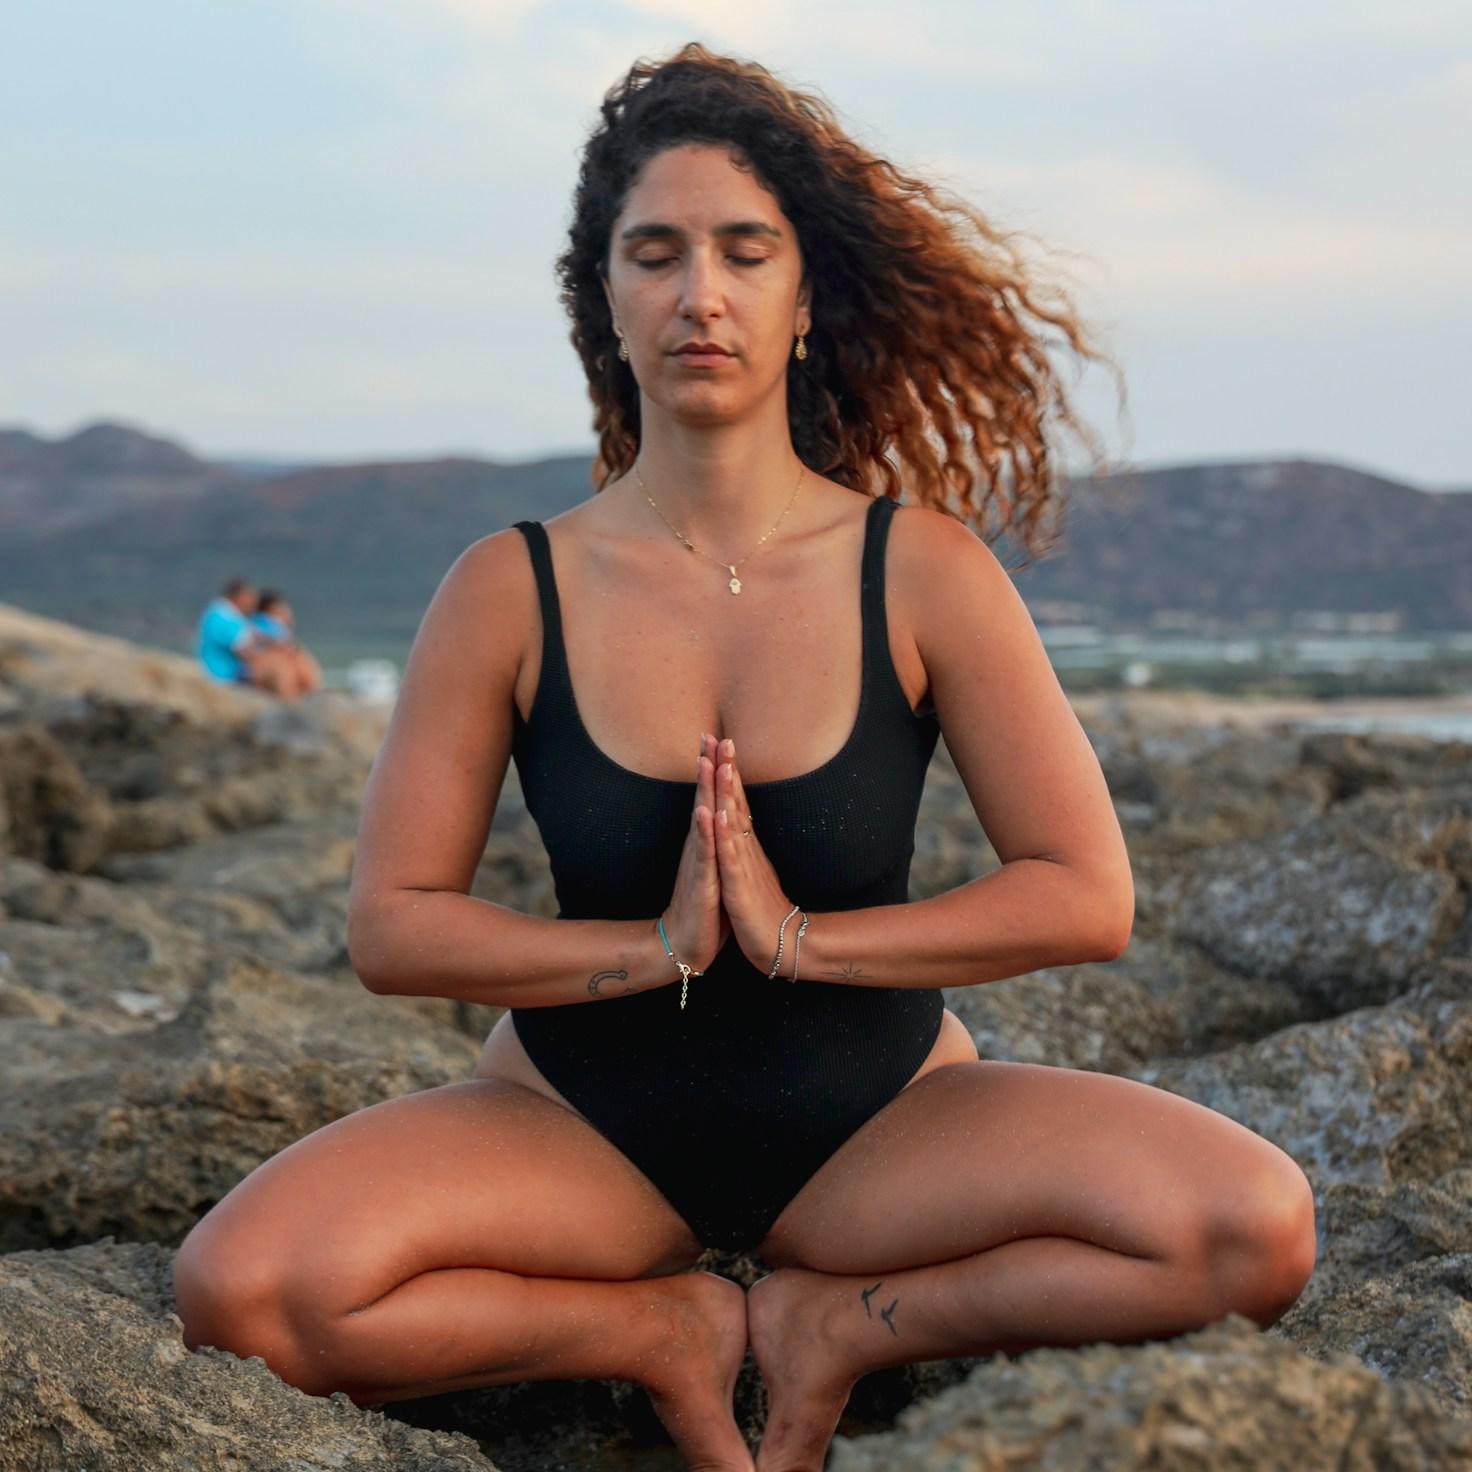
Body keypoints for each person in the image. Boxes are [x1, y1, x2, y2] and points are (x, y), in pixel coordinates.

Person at [172, 42, 1317, 1472]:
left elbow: (1085, 895)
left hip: (881, 1132)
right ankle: (664, 1333)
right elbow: (394, 928)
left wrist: (798, 942)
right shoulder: (509, 586)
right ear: (605, 295)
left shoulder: (923, 574)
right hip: (583, 1136)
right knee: (245, 1290)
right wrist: (656, 950)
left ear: (802, 294)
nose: (698, 293)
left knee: (1250, 1229)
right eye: (654, 255)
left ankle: (845, 1326)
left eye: (742, 251)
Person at [250, 588, 325, 697]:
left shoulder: (274, 625)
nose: (286, 612)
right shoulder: (263, 623)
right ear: (271, 609)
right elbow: (276, 643)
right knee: (286, 673)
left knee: (303, 666)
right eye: (281, 609)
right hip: (270, 663)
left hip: (279, 661)